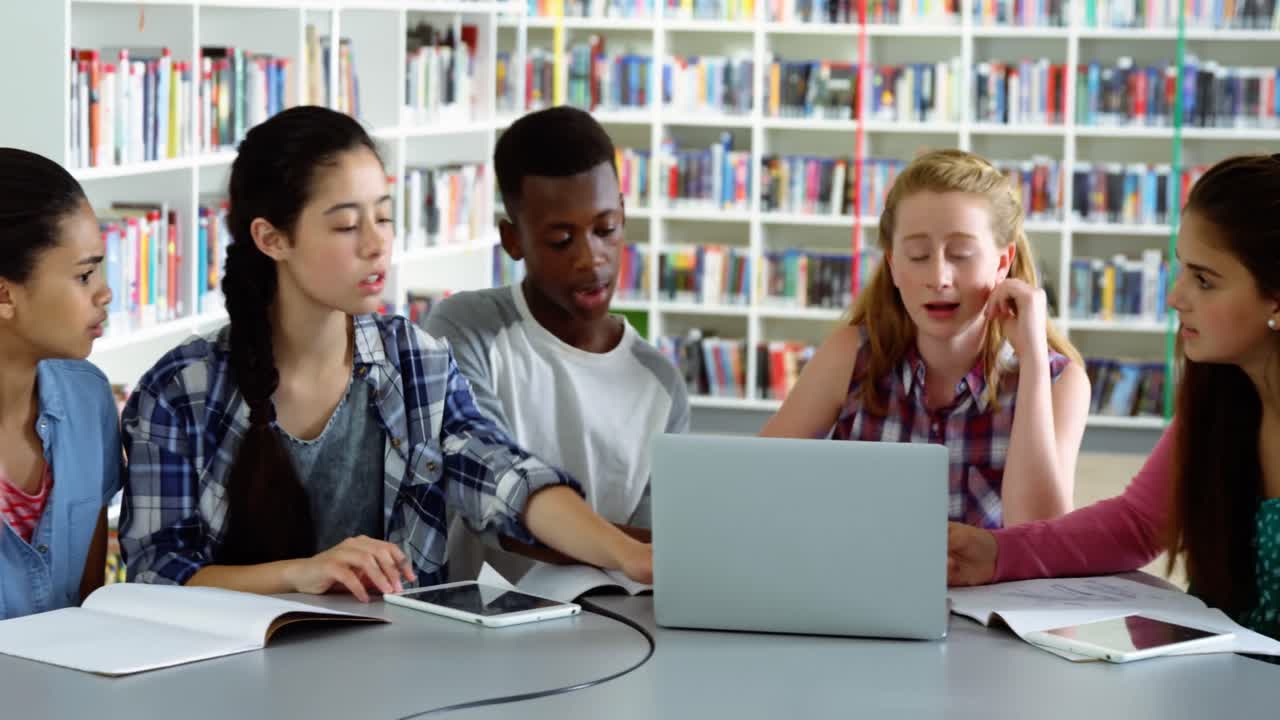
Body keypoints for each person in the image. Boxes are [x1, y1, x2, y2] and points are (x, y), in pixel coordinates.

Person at [119, 106, 652, 602]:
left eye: (384, 217)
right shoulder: (180, 391)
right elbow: (155, 573)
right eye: (347, 225)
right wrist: (300, 573)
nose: (376, 245)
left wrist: (632, 557)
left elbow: (507, 481)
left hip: (396, 670)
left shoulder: (418, 365)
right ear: (272, 239)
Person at [947, 154, 1280, 641]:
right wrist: (997, 552)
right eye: (1182, 268)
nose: (1175, 296)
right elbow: (1138, 525)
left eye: (1205, 280)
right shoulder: (1224, 397)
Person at [425, 107, 688, 580]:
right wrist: (629, 550)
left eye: (606, 229)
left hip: (616, 630)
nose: (591, 259)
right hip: (478, 633)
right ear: (513, 239)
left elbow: (658, 552)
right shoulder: (466, 328)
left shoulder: (661, 385)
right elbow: (493, 500)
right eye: (562, 240)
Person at [762, 149, 1089, 528]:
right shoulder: (852, 355)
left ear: (1002, 262)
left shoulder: (1060, 382)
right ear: (893, 265)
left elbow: (1042, 539)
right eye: (918, 255)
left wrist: (1032, 358)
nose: (939, 277)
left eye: (961, 254)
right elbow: (756, 479)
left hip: (992, 589)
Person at [0, 148, 120, 618]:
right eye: (84, 275)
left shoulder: (89, 398)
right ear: (5, 294)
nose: (104, 292)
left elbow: (84, 609)